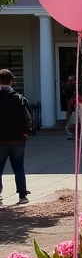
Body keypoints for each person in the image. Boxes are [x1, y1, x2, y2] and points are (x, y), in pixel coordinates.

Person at [0, 69, 32, 205]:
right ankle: (22, 195)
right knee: (19, 166)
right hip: (18, 139)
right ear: (11, 81)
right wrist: (26, 132)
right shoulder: (19, 98)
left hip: (0, 140)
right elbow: (27, 118)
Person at [63, 74, 76, 139]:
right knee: (70, 115)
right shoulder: (69, 86)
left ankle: (68, 127)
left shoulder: (68, 85)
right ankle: (68, 127)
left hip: (70, 101)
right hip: (70, 101)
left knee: (70, 114)